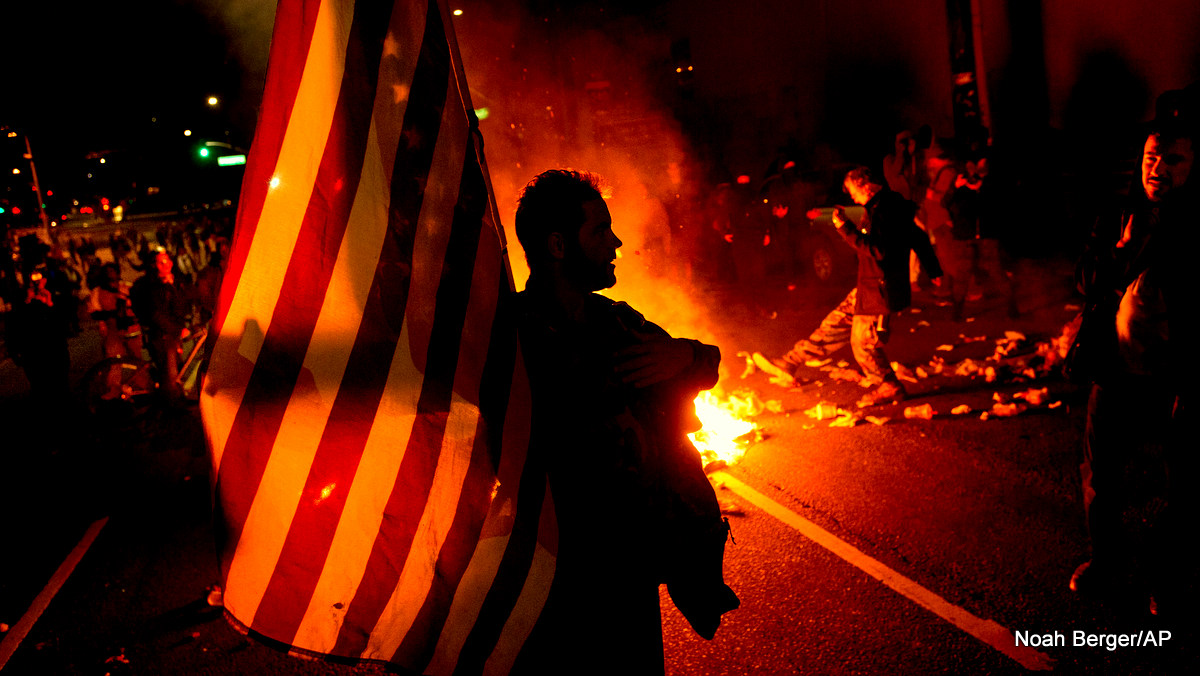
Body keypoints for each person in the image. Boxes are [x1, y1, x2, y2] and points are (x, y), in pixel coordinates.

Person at [510, 170, 737, 674]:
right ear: (558, 245)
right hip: (551, 577)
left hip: (627, 571)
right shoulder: (512, 336)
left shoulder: (615, 323)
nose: (616, 242)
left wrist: (685, 356)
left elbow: (707, 365)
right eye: (599, 231)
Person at [1069, 87, 1196, 614]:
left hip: (1178, 376)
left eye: (1174, 160)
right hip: (1115, 371)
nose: (1158, 169)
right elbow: (1085, 281)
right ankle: (1105, 561)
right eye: (1151, 158)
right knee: (1100, 475)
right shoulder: (1121, 213)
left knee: (1184, 484)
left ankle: (1166, 581)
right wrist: (1120, 252)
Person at [776, 167, 943, 408]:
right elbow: (917, 237)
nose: (852, 197)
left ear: (866, 185)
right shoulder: (885, 206)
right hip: (869, 285)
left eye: (853, 190)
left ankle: (888, 385)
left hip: (880, 290)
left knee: (863, 342)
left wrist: (845, 228)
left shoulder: (886, 210)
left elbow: (878, 251)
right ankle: (791, 361)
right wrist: (934, 269)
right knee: (836, 322)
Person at [130, 248, 191, 402]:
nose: (166, 265)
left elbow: (181, 304)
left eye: (168, 261)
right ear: (153, 265)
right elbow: (155, 314)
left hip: (173, 332)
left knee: (175, 368)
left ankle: (173, 398)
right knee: (170, 373)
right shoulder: (152, 286)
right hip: (162, 335)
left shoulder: (174, 280)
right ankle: (171, 405)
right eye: (161, 262)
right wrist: (177, 329)